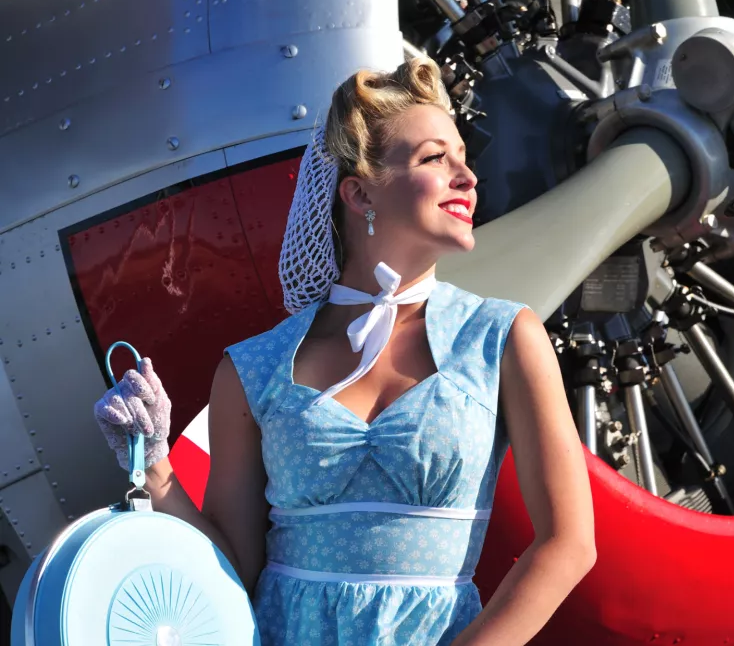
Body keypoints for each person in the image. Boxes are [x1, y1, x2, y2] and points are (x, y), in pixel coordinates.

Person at [93, 56, 596, 645]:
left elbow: (569, 544)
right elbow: (231, 571)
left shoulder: (503, 337)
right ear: (358, 193)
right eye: (436, 158)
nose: (468, 177)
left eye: (464, 157)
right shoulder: (252, 368)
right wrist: (151, 464)